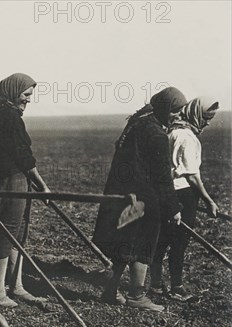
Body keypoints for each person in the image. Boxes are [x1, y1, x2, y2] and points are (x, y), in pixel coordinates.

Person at [92, 87, 187, 312]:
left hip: (125, 194)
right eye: (175, 111)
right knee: (144, 244)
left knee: (124, 243)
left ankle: (110, 291)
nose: (178, 116)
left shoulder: (138, 122)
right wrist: (174, 208)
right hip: (144, 197)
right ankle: (137, 295)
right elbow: (163, 178)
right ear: (165, 108)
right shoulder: (157, 134)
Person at [0, 73, 50, 308]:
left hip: (10, 177)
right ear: (13, 91)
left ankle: (16, 286)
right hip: (13, 179)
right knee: (9, 231)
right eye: (25, 95)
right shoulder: (9, 116)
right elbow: (23, 155)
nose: (28, 100)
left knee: (17, 232)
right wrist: (43, 185)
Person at [149, 98, 219, 301]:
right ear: (196, 114)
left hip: (166, 192)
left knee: (162, 240)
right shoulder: (187, 137)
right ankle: (177, 288)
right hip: (183, 193)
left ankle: (155, 284)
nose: (207, 123)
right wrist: (208, 200)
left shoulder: (172, 130)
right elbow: (191, 175)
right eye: (206, 118)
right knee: (179, 242)